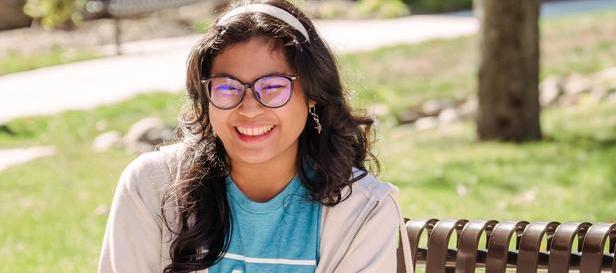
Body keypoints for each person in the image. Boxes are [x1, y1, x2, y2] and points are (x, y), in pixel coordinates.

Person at [98, 1, 411, 272]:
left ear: (312, 94)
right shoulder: (151, 186)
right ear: (206, 99)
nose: (249, 109)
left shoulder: (365, 210)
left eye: (273, 87)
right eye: (227, 87)